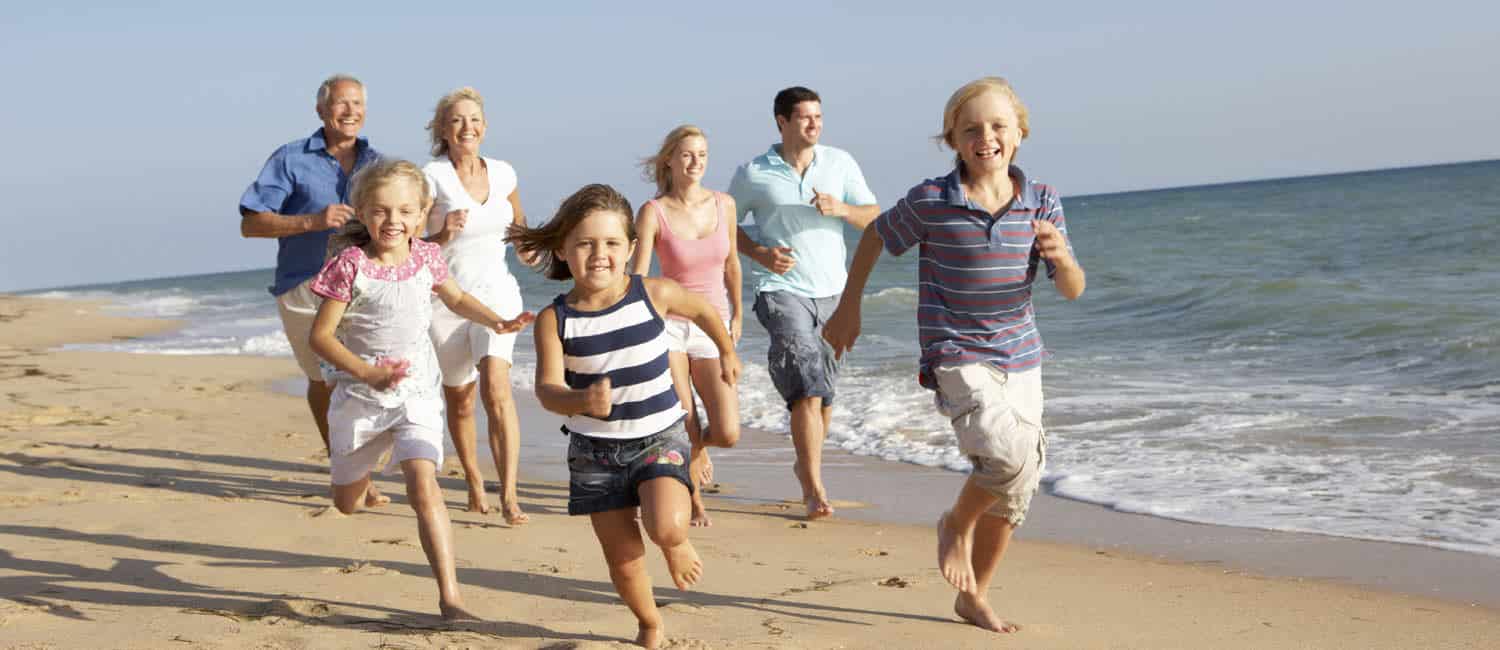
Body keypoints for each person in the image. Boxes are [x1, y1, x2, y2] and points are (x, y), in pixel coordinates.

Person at [823, 77, 1086, 634]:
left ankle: (975, 595)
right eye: (970, 129)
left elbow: (1072, 290)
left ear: (1020, 134)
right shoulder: (931, 201)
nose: (985, 137)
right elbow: (874, 236)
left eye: (997, 126)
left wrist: (1062, 259)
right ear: (952, 140)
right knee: (1007, 457)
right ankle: (954, 523)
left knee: (1019, 485)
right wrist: (850, 308)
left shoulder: (1042, 201)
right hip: (956, 350)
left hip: (1021, 354)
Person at [509, 184, 739, 649]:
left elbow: (703, 310)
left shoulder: (652, 294)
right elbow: (548, 390)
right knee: (623, 556)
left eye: (612, 243)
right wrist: (579, 402)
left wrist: (727, 351)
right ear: (562, 250)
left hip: (659, 437)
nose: (600, 254)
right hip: (594, 453)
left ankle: (675, 543)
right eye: (586, 244)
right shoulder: (558, 321)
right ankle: (649, 623)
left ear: (631, 249)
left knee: (665, 526)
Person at [307, 158, 535, 620]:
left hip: (416, 394)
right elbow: (321, 337)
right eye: (381, 211)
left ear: (422, 212)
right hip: (360, 398)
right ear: (362, 212)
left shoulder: (428, 256)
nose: (393, 221)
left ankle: (450, 598)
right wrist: (367, 373)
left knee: (424, 484)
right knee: (346, 503)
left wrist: (497, 319)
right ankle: (364, 473)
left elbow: (455, 298)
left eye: (405, 211)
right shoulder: (350, 265)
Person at [728, 86, 878, 520]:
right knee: (807, 388)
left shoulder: (840, 162)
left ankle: (805, 461)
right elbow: (724, 225)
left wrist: (842, 209)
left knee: (825, 394)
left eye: (819, 117)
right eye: (805, 118)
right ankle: (813, 487)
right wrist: (758, 253)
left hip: (834, 291)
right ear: (782, 122)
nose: (815, 124)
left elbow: (873, 215)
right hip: (780, 290)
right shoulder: (754, 172)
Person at [238, 74, 387, 507]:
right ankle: (344, 465)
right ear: (321, 110)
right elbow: (251, 224)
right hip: (304, 287)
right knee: (323, 381)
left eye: (357, 103)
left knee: (363, 379)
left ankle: (359, 471)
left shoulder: (378, 164)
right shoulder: (289, 159)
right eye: (341, 104)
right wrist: (312, 221)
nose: (350, 111)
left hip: (362, 287)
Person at [422, 87, 536, 523]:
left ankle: (509, 495)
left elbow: (518, 230)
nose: (466, 127)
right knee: (462, 399)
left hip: (498, 295)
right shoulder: (431, 177)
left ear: (484, 128)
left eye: (473, 120)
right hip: (446, 302)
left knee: (496, 389)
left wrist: (537, 251)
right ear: (443, 130)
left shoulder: (505, 173)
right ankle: (473, 478)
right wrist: (443, 235)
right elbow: (411, 243)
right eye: (456, 120)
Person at [631, 125, 743, 527]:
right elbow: (640, 274)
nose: (696, 162)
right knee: (685, 416)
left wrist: (737, 316)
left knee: (728, 429)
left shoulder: (724, 205)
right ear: (669, 160)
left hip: (712, 323)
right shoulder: (653, 211)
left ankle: (696, 449)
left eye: (702, 155)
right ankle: (695, 500)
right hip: (669, 326)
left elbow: (732, 264)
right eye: (687, 155)